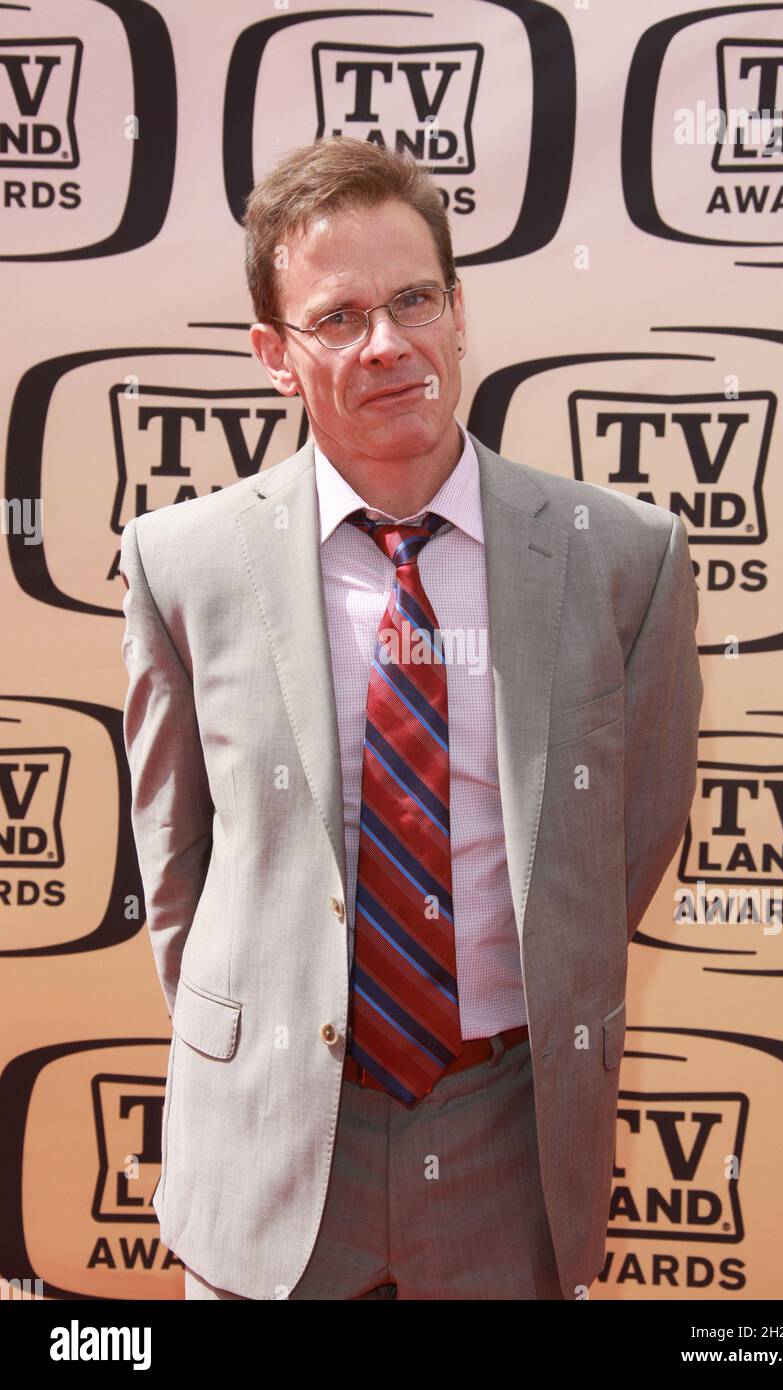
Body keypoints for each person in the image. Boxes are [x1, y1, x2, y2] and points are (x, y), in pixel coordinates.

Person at [119, 136, 703, 1300]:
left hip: (508, 1141)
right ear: (274, 357)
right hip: (271, 1146)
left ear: (457, 313)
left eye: (412, 299)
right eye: (337, 318)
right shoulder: (181, 563)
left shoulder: (622, 560)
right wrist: (263, 1042)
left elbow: (624, 847)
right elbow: (175, 867)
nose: (388, 344)